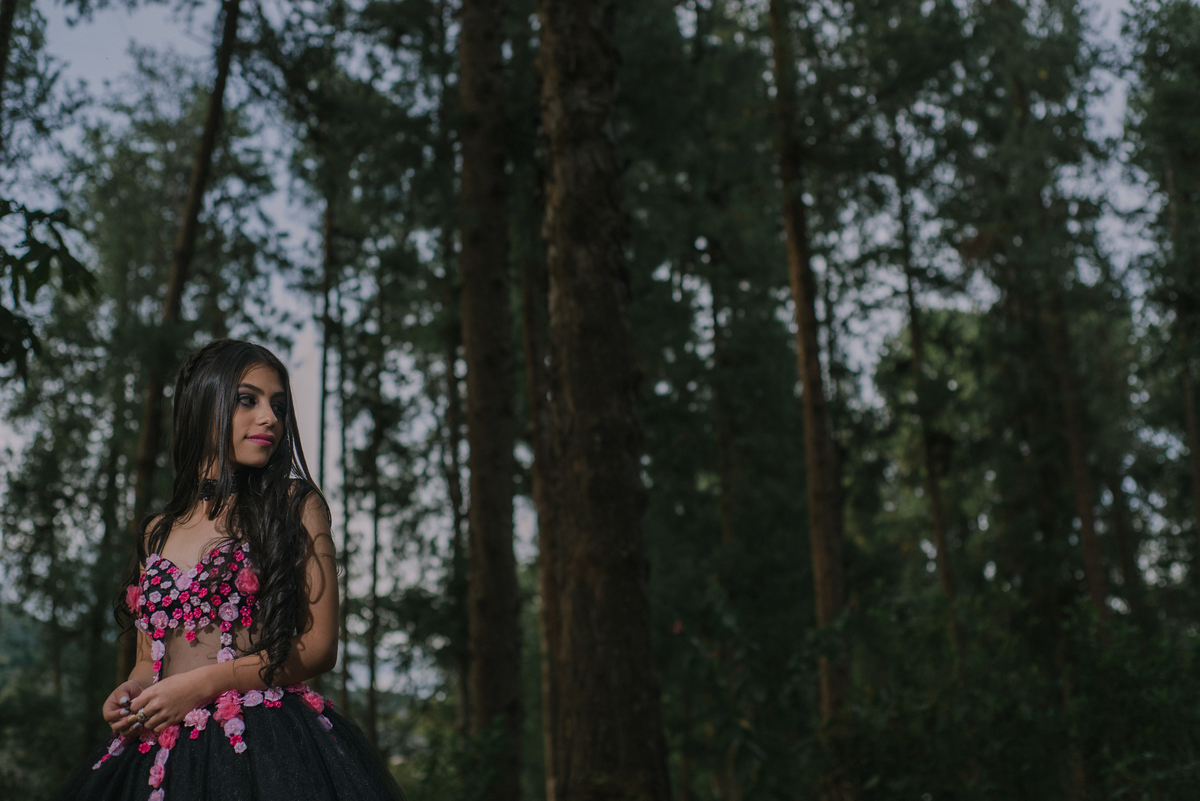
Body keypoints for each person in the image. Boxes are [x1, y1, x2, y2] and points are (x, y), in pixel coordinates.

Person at [54, 340, 404, 801]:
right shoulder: (157, 531)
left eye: (278, 405)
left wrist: (203, 684)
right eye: (247, 399)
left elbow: (319, 648)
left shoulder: (295, 504)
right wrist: (131, 692)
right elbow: (149, 657)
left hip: (265, 746)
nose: (270, 418)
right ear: (204, 404)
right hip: (156, 750)